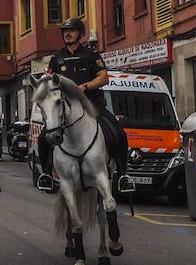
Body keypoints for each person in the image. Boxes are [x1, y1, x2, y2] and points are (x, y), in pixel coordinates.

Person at [37, 17, 134, 193]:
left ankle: (122, 175)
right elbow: (48, 79)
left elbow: (104, 77)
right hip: (65, 108)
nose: (67, 34)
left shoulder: (91, 55)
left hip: (91, 104)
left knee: (117, 131)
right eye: (65, 31)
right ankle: (46, 174)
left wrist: (85, 86)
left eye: (71, 30)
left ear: (80, 34)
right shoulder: (56, 59)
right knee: (45, 137)